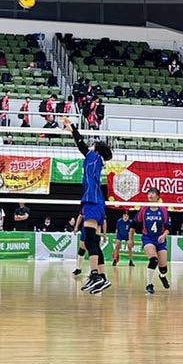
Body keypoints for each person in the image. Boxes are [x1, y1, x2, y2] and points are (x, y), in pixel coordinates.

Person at [65, 116, 113, 294]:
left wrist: (73, 129)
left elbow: (82, 146)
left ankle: (95, 275)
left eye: (93, 146)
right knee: (93, 241)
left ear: (97, 150)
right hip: (94, 201)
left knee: (91, 240)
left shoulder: (94, 156)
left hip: (93, 201)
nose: (90, 147)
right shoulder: (96, 160)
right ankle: (103, 278)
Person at [137, 187, 170, 294]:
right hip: (148, 238)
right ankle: (149, 285)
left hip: (160, 240)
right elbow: (134, 223)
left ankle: (162, 276)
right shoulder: (144, 209)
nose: (150, 195)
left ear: (158, 197)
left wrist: (164, 235)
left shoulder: (163, 210)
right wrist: (130, 239)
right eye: (149, 193)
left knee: (163, 267)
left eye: (153, 193)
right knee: (153, 260)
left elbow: (169, 227)